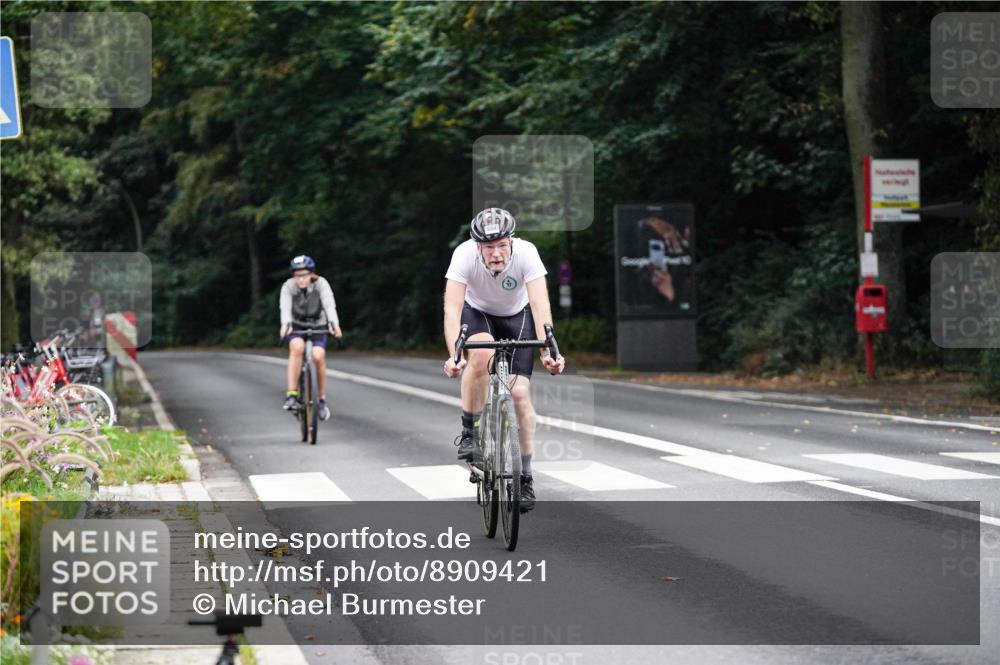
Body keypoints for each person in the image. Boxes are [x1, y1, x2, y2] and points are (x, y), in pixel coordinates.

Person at [442, 208, 566, 513]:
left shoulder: (527, 253)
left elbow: (539, 304)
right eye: (489, 247)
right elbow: (452, 309)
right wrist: (454, 354)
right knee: (480, 354)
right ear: (477, 247)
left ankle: (525, 477)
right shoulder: (462, 255)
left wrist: (549, 350)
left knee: (520, 393)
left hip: (518, 317)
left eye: (502, 245)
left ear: (512, 241)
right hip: (478, 313)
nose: (496, 254)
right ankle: (470, 432)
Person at [279, 255, 343, 420]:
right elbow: (284, 307)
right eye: (297, 275)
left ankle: (321, 400)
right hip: (296, 324)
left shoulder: (321, 284)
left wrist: (334, 324)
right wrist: (285, 325)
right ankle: (292, 394)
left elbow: (329, 304)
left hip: (318, 324)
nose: (301, 279)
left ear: (312, 274)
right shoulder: (288, 287)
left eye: (305, 275)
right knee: (297, 347)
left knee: (318, 355)